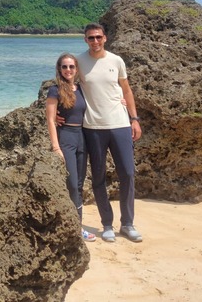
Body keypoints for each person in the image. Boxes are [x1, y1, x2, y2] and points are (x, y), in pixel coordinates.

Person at [75, 22, 143, 243]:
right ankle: (106, 224)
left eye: (98, 37)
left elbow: (126, 90)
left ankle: (128, 223)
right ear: (85, 40)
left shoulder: (116, 61)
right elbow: (67, 87)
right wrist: (58, 113)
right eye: (91, 38)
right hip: (93, 127)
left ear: (105, 38)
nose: (95, 41)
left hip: (120, 124)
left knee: (128, 173)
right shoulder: (79, 62)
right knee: (99, 177)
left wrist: (134, 119)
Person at [45, 54, 96, 242]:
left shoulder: (82, 89)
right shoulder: (55, 90)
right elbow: (50, 120)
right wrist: (55, 147)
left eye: (71, 67)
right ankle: (73, 228)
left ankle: (77, 227)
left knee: (80, 185)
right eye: (64, 67)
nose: (68, 70)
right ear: (59, 69)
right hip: (65, 137)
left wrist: (121, 101)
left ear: (76, 69)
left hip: (82, 137)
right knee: (72, 184)